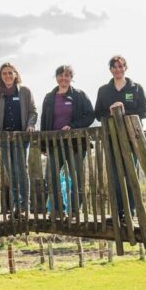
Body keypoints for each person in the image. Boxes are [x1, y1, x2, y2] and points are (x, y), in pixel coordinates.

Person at [95, 55, 146, 222]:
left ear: (126, 68)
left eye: (120, 66)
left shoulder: (136, 88)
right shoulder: (103, 90)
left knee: (130, 174)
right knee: (115, 176)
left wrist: (125, 112)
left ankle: (130, 212)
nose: (118, 69)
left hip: (132, 139)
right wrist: (110, 112)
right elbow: (98, 114)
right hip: (112, 139)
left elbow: (144, 111)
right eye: (114, 67)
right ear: (110, 69)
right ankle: (118, 212)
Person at [41, 65, 95, 220]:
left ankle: (74, 211)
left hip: (76, 144)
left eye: (67, 75)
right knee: (52, 177)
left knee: (76, 177)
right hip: (54, 144)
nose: (63, 78)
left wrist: (73, 126)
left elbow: (90, 116)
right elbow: (45, 121)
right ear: (56, 77)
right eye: (60, 75)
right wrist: (44, 145)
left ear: (71, 78)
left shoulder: (79, 95)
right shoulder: (49, 97)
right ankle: (57, 210)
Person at [0, 63, 37, 218]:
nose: (7, 76)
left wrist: (30, 125)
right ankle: (16, 206)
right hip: (3, 138)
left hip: (21, 138)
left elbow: (33, 111)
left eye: (10, 72)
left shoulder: (25, 91)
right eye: (4, 73)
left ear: (16, 74)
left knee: (21, 171)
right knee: (10, 172)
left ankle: (25, 207)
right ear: (1, 76)